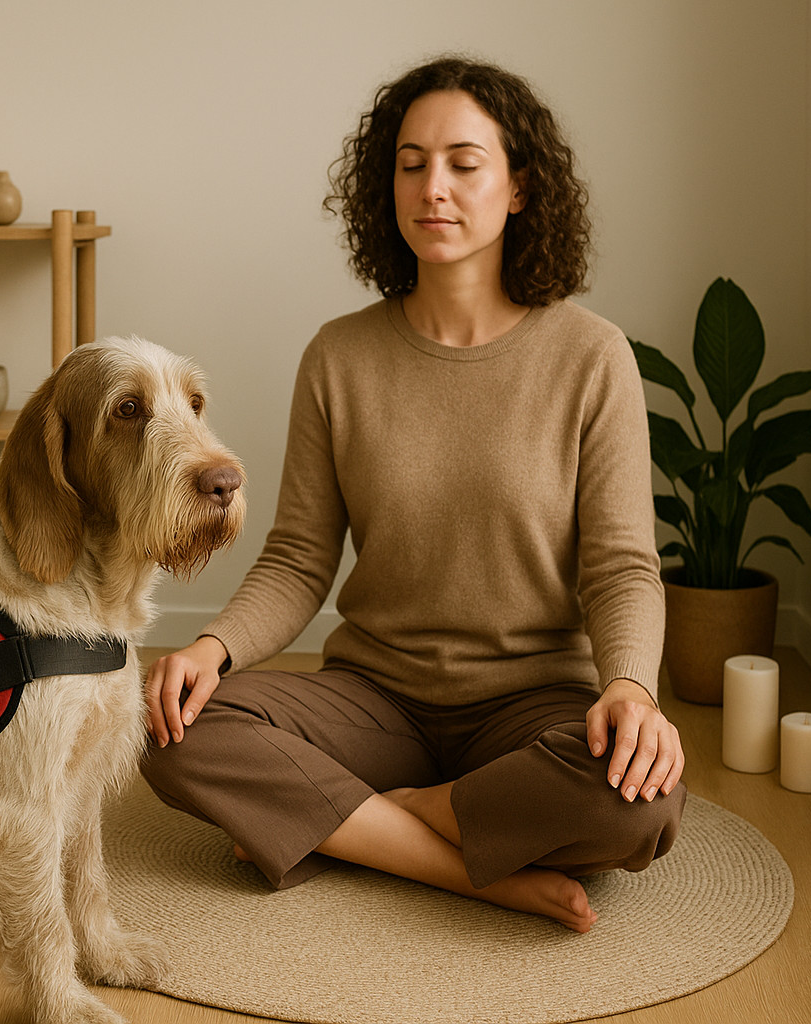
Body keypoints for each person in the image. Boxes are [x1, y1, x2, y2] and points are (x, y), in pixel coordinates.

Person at [140, 56, 685, 934]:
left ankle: (355, 819)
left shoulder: (592, 356)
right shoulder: (339, 357)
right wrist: (210, 650)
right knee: (173, 728)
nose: (434, 187)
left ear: (517, 188)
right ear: (384, 183)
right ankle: (469, 871)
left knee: (637, 804)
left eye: (465, 164)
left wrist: (630, 688)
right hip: (374, 696)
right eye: (411, 162)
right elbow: (298, 557)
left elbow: (622, 564)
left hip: (533, 699)